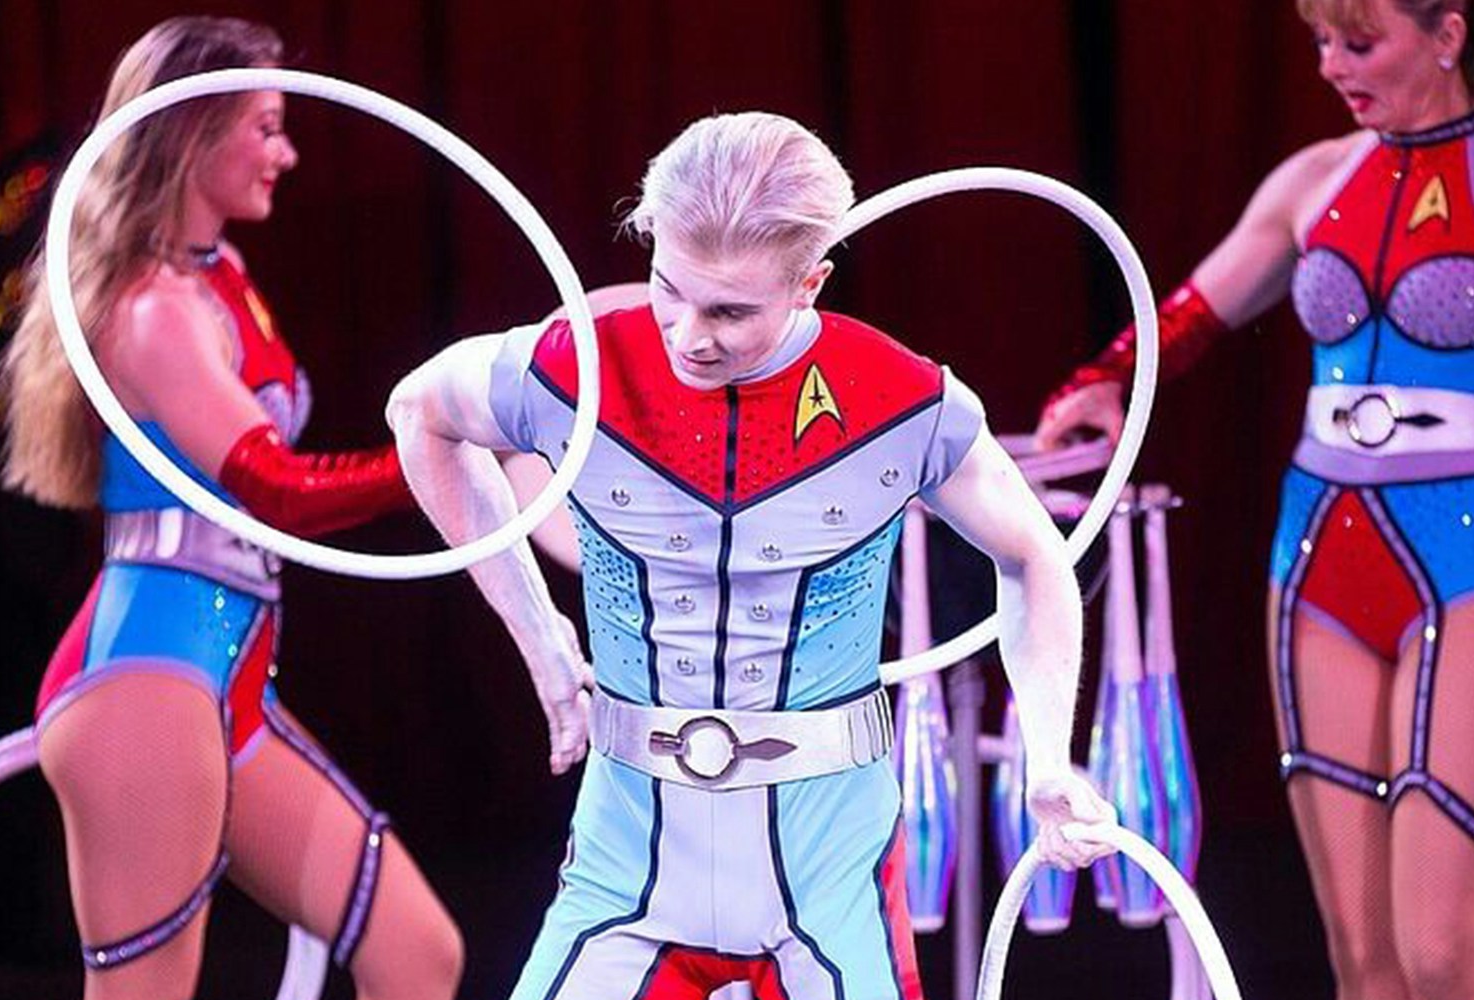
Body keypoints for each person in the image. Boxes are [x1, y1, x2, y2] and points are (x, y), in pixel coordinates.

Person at [388, 110, 1114, 1000]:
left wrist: (1048, 757)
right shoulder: (575, 362)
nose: (690, 335)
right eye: (668, 289)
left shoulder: (901, 398)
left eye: (731, 310)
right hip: (628, 865)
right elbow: (418, 417)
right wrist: (544, 645)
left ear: (811, 282)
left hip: (829, 865)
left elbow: (1037, 558)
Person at [1037, 2, 1474, 998]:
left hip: (1473, 556)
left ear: (1447, 34)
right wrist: (1099, 380)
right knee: (1363, 962)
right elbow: (1185, 315)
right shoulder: (1316, 180)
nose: (1329, 67)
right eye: (1319, 42)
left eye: (1359, 44)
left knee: (1440, 951)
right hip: (1317, 551)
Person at [0, 17, 464, 999]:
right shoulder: (154, 309)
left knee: (419, 954)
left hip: (228, 679)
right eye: (266, 126)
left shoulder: (222, 280)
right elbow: (275, 494)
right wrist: (434, 461)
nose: (287, 153)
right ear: (196, 132)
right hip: (147, 681)